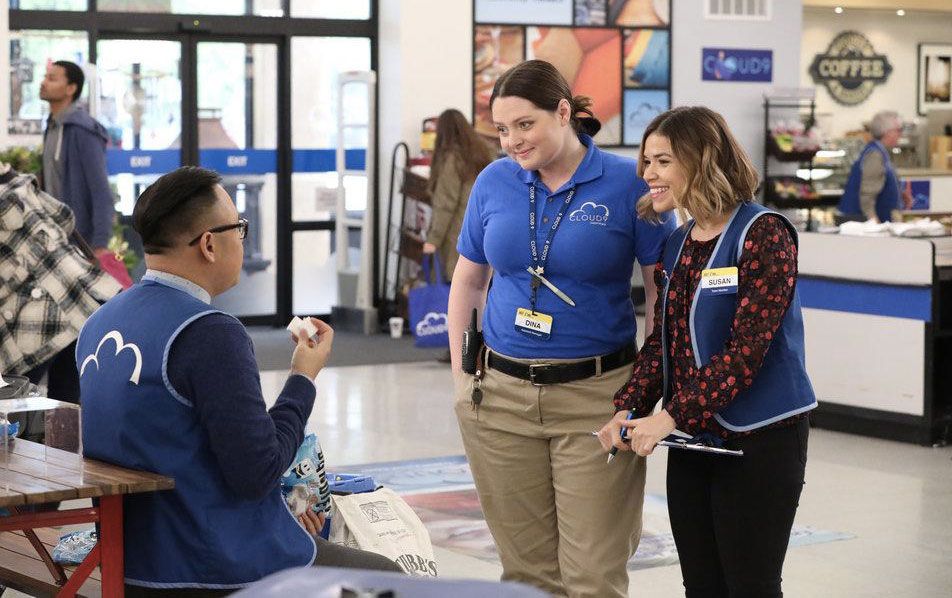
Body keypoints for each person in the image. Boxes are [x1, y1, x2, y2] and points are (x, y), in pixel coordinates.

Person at [76, 166, 401, 597]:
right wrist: (302, 377)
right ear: (209, 244)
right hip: (215, 566)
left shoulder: (99, 322)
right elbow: (258, 472)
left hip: (130, 562)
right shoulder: (209, 333)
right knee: (389, 578)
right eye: (239, 227)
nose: (243, 240)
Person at [449, 59, 676, 598]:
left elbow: (663, 295)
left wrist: (647, 391)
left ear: (563, 112)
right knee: (525, 577)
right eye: (502, 129)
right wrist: (463, 378)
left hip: (597, 396)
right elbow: (468, 282)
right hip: (500, 397)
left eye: (524, 125)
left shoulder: (628, 183)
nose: (512, 141)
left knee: (593, 576)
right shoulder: (494, 181)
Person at [597, 106, 817, 597]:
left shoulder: (764, 233)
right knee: (701, 584)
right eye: (647, 162)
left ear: (702, 160)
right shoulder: (677, 242)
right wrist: (628, 407)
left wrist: (669, 415)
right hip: (695, 439)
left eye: (662, 162)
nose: (648, 174)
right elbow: (662, 341)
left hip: (760, 440)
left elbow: (746, 352)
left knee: (751, 585)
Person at [0, 161, 121, 409]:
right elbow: (66, 218)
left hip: (32, 323)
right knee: (65, 404)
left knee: (13, 408)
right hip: (78, 303)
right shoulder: (22, 182)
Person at [40, 60, 115, 254]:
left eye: (52, 79)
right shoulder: (52, 126)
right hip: (56, 239)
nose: (44, 82)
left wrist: (100, 244)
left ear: (71, 89)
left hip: (81, 242)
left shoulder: (82, 130)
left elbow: (101, 191)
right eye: (45, 77)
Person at [422, 108, 495, 283]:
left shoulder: (452, 159)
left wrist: (433, 240)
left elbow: (445, 204)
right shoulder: (483, 153)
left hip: (456, 233)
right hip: (482, 229)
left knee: (454, 287)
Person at [837, 110, 913, 223]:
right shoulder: (875, 155)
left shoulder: (880, 151)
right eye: (898, 130)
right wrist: (874, 222)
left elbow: (880, 183)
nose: (900, 134)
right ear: (887, 132)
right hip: (860, 222)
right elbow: (867, 195)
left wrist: (900, 195)